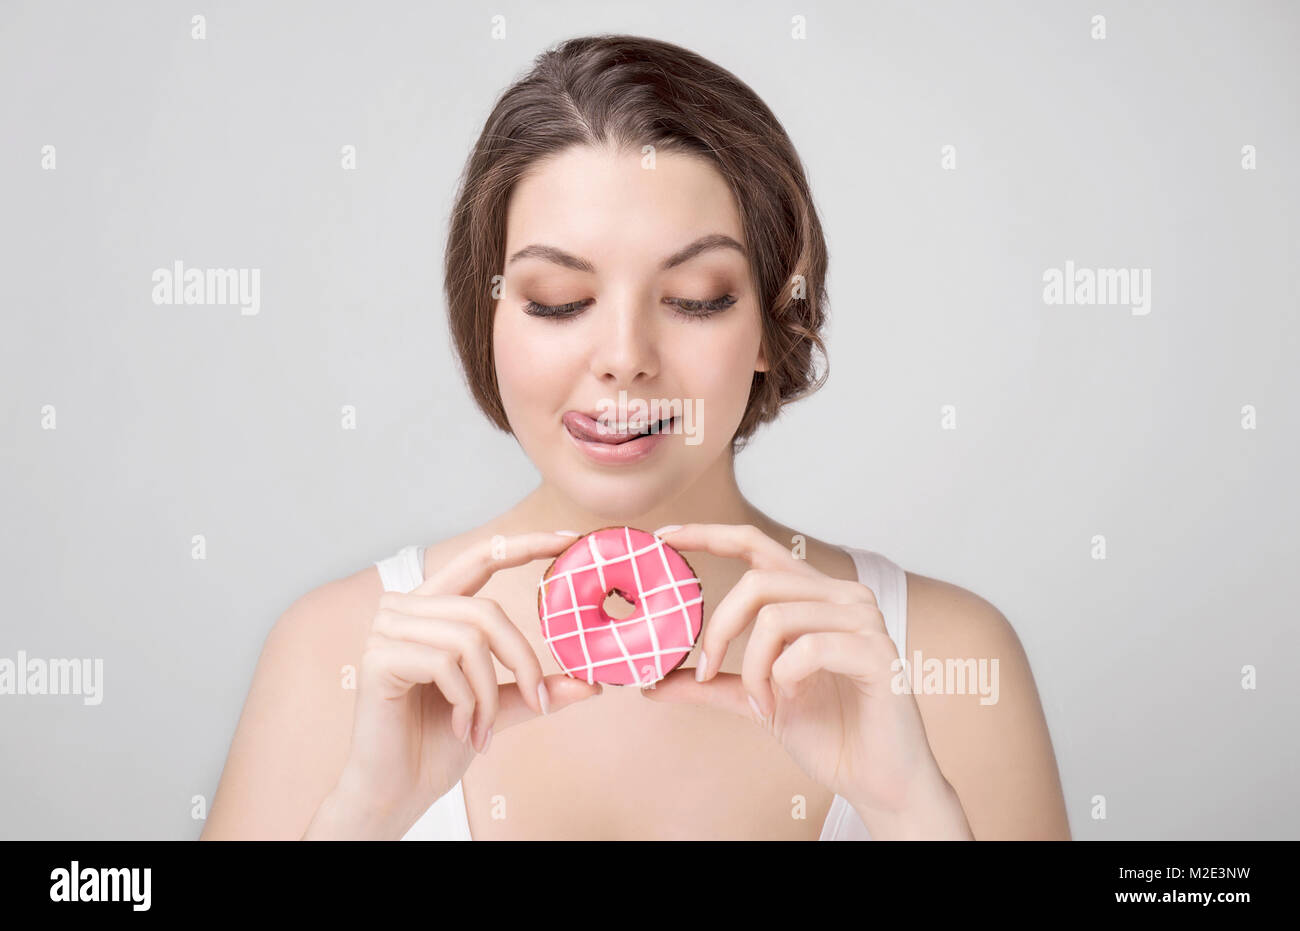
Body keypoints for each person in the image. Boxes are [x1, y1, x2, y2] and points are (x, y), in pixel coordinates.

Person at [201, 34, 1070, 841]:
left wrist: (912, 810)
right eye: (557, 301)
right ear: (490, 317)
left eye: (695, 296)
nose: (623, 358)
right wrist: (363, 815)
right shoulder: (338, 655)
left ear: (774, 323)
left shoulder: (941, 657)